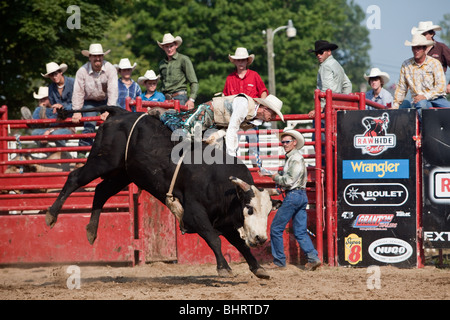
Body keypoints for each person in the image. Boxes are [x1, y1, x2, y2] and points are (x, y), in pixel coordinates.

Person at [262, 128, 321, 271]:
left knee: (276, 228)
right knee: (300, 231)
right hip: (300, 195)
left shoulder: (294, 159)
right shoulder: (294, 158)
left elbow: (288, 181)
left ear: (294, 143)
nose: (284, 144)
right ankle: (313, 258)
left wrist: (273, 176)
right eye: (283, 142)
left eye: (287, 142)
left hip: (293, 196)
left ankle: (279, 261)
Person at [223, 47, 269, 167]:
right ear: (235, 62)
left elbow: (263, 91)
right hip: (235, 120)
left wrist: (261, 104)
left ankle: (257, 171)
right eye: (238, 60)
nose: (241, 62)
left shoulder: (254, 75)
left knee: (253, 148)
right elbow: (225, 98)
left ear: (247, 61)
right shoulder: (230, 78)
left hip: (251, 119)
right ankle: (236, 171)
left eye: (243, 60)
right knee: (234, 148)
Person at [72, 43, 118, 152]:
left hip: (106, 101)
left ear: (103, 57)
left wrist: (109, 109)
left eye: (100, 56)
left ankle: (114, 152)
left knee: (116, 121)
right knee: (88, 126)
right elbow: (78, 92)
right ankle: (82, 155)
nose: (98, 58)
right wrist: (77, 111)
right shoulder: (82, 71)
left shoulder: (110, 69)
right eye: (94, 56)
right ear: (90, 57)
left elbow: (113, 90)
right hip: (90, 102)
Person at [207, 94, 285, 157]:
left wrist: (216, 135)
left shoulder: (255, 121)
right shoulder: (244, 104)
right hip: (208, 112)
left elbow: (232, 129)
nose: (274, 117)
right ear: (265, 108)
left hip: (215, 123)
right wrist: (232, 155)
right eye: (274, 113)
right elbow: (232, 128)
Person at [393, 34, 450, 111]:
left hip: (437, 98)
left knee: (447, 108)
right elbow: (401, 88)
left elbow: (441, 87)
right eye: (414, 48)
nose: (416, 50)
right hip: (418, 100)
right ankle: (423, 122)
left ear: (424, 49)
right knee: (421, 104)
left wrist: (425, 96)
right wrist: (395, 105)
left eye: (418, 48)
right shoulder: (406, 65)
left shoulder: (435, 63)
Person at [308, 40, 352, 118]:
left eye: (321, 52)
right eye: (316, 53)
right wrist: (343, 103)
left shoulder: (325, 66)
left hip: (326, 107)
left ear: (329, 52)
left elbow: (326, 88)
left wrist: (321, 108)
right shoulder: (337, 65)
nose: (318, 55)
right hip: (337, 107)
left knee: (318, 127)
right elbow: (347, 84)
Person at [158, 33, 198, 109]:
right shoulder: (161, 64)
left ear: (176, 45)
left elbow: (194, 82)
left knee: (179, 120)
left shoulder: (183, 59)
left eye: (171, 46)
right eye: (166, 47)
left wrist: (191, 100)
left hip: (180, 98)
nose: (169, 49)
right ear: (163, 47)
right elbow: (161, 84)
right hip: (164, 99)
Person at [411, 21, 450, 94]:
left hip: (437, 89)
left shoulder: (441, 48)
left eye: (424, 34)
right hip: (420, 90)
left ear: (431, 34)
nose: (421, 36)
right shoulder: (417, 49)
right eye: (420, 34)